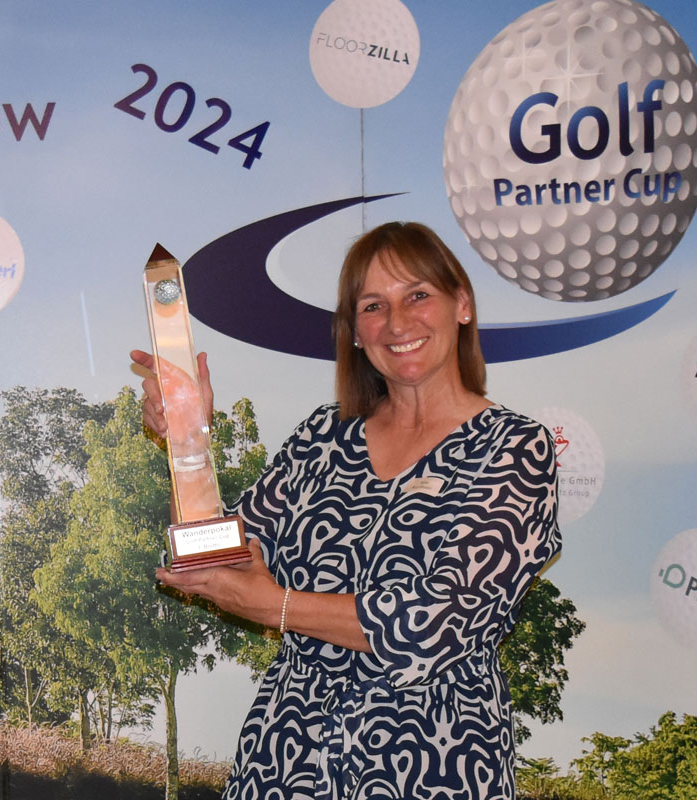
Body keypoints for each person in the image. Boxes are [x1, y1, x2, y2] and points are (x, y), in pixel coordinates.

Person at [130, 221, 560, 799]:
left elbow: (436, 622)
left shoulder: (514, 448)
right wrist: (189, 442)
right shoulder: (323, 437)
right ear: (355, 332)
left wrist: (276, 606)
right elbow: (211, 558)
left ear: (461, 304)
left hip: (434, 760)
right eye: (373, 306)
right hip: (287, 757)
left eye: (417, 295)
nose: (398, 323)